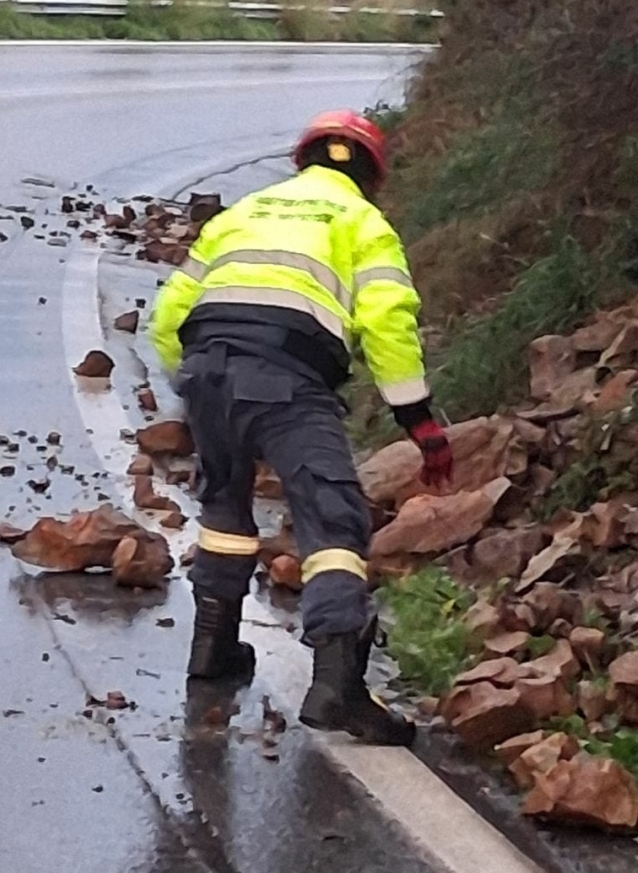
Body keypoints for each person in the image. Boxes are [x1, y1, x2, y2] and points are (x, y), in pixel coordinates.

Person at [148, 110, 453, 747]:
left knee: (224, 508)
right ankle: (338, 685)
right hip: (288, 378)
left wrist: (193, 386)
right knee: (333, 523)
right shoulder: (362, 221)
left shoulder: (244, 212)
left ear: (301, 161)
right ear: (373, 176)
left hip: (207, 367)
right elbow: (388, 323)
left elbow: (171, 312)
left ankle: (213, 650)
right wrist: (419, 421)